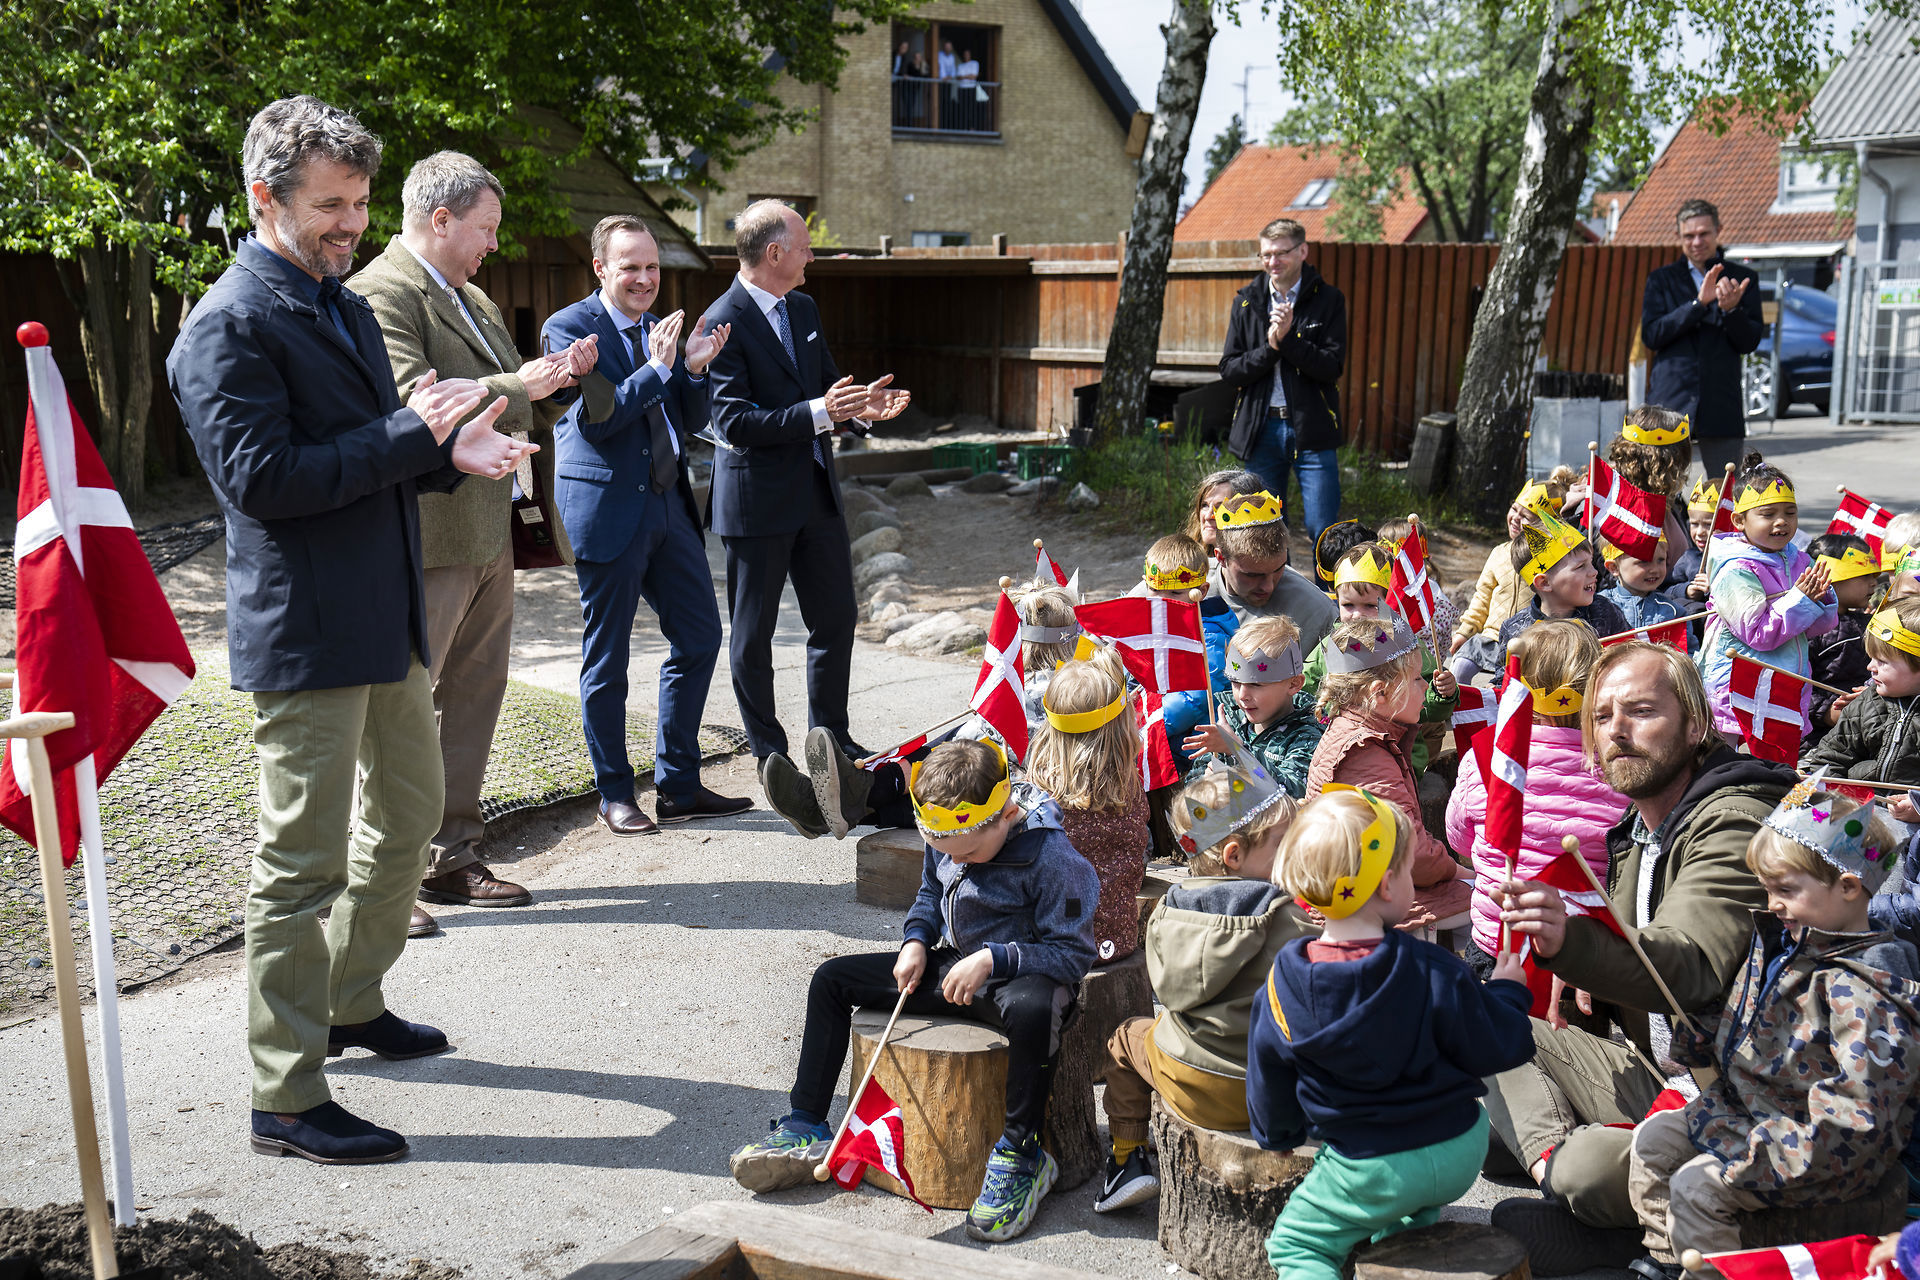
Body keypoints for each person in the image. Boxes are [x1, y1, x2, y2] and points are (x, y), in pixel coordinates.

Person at [168, 95, 535, 1163]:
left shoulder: (329, 297)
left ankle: (349, 1000)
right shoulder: (228, 324)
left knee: (412, 814)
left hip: (384, 616)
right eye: (330, 205)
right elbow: (264, 481)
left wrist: (442, 455)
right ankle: (284, 1093)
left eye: (361, 203)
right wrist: (406, 435)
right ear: (263, 197)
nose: (349, 224)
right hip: (309, 633)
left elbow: (368, 449)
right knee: (302, 863)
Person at [1487, 643, 1792, 1274]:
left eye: (1641, 711)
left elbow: (1687, 965)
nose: (1616, 732)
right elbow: (1634, 951)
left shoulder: (1734, 822)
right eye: (1601, 717)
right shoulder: (1642, 823)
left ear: (1696, 725)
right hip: (1654, 1070)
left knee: (1582, 1168)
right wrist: (1577, 983)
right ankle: (1569, 1188)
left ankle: (1595, 1214)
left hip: (1731, 1099)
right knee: (1484, 1023)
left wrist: (1571, 942)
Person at [728, 738, 1098, 1243]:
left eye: (969, 852)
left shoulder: (1053, 857)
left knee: (1036, 1008)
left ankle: (1021, 1153)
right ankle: (806, 1124)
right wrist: (916, 940)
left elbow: (1074, 953)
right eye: (947, 851)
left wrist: (995, 958)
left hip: (1023, 977)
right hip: (954, 966)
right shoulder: (944, 830)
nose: (957, 859)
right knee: (832, 980)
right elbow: (929, 892)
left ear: (1008, 813)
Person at [352, 151, 594, 925]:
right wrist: (524, 381)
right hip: (425, 535)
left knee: (474, 697)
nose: (494, 243)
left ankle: (451, 857)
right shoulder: (381, 293)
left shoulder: (472, 297)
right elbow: (413, 402)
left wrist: (555, 385)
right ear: (441, 218)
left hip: (489, 530)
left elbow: (495, 402)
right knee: (402, 706)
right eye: (485, 227)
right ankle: (386, 879)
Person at [1626, 781, 1915, 1275]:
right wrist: (1708, 1033)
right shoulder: (1790, 943)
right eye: (1767, 889)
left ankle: (1717, 1272)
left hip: (1821, 1151)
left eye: (1785, 889)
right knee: (1652, 1142)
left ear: (1848, 887)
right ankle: (1670, 1262)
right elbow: (1759, 1023)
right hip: (1758, 1114)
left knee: (1696, 1188)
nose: (1773, 903)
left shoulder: (1868, 986)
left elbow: (1856, 1118)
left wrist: (1754, 1156)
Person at [1249, 787, 1536, 1280]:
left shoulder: (1282, 988)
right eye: (1406, 871)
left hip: (1370, 1165)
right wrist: (1509, 994)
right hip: (1458, 1149)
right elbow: (1495, 1045)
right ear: (1386, 886)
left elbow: (1268, 1077)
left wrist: (1278, 1136)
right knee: (1403, 1210)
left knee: (1297, 1245)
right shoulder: (1434, 968)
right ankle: (1405, 1234)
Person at [543, 215, 751, 835]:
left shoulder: (661, 330)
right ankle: (614, 794)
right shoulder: (571, 328)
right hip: (608, 509)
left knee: (699, 637)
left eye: (652, 267)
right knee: (607, 659)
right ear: (601, 269)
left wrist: (690, 371)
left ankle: (679, 784)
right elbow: (601, 422)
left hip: (668, 503)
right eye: (629, 267)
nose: (644, 278)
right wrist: (660, 369)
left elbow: (681, 422)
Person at [700, 200, 909, 786]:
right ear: (774, 253)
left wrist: (861, 409)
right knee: (753, 633)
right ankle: (769, 752)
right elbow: (735, 423)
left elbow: (825, 392)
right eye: (804, 246)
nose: (812, 255)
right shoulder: (720, 320)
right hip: (756, 502)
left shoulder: (805, 306)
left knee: (837, 617)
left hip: (816, 493)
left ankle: (831, 740)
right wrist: (821, 410)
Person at [1096, 739, 1309, 1214]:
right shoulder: (1291, 920)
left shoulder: (1168, 914)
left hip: (1190, 1081)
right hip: (1270, 1094)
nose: (1294, 850)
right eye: (1282, 843)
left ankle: (1126, 1160)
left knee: (1126, 1039)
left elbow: (1168, 991)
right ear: (1234, 855)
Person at [1446, 622, 1630, 981]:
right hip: (1585, 951)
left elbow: (1459, 840)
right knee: (1577, 1039)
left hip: (1496, 941)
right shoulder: (1620, 766)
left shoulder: (1484, 758)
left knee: (1495, 1033)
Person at [1306, 614, 1471, 930]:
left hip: (1373, 885)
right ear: (1379, 693)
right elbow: (1408, 852)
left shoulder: (1360, 733)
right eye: (1416, 679)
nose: (1426, 686)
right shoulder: (1364, 754)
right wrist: (1454, 869)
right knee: (1498, 905)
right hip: (1364, 902)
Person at [1218, 217, 1347, 546]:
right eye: (1265, 255)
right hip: (1261, 432)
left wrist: (1288, 340)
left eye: (1280, 253)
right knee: (1267, 531)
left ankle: (1329, 599)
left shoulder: (1328, 300)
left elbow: (1331, 367)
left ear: (1303, 251)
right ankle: (1278, 599)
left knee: (1324, 531)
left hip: (1313, 429)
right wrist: (1272, 347)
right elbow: (1231, 369)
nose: (1272, 262)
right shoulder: (1246, 301)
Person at [1698, 454, 1838, 746]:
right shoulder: (1735, 569)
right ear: (1739, 520)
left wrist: (1821, 598)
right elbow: (1759, 633)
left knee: (1772, 774)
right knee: (1736, 774)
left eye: (1790, 512)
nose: (1781, 522)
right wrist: (1803, 599)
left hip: (1781, 688)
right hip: (1737, 693)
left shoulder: (1798, 559)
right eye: (1768, 514)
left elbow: (1816, 627)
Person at [1026, 654, 1151, 964]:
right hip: (1117, 940)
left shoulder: (1039, 801)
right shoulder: (1130, 791)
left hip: (1051, 946)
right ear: (1122, 729)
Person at [1305, 543, 1458, 774]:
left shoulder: (1407, 650)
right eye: (1348, 605)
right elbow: (1305, 692)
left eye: (1369, 605)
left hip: (1398, 757)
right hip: (1336, 750)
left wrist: (1442, 694)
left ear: (1391, 604)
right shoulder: (1328, 648)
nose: (1357, 615)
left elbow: (1428, 710)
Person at [1640, 199, 1764, 477]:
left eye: (1704, 233)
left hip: (1721, 406)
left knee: (1725, 496)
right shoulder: (1662, 280)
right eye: (1689, 235)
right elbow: (1652, 335)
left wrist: (1732, 310)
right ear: (1678, 237)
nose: (1697, 241)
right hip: (1669, 404)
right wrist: (1698, 305)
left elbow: (1749, 342)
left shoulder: (1743, 279)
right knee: (1660, 494)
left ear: (1718, 230)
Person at [1802, 597, 1920, 826]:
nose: (1870, 667)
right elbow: (1831, 756)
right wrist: (1836, 799)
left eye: (1882, 661)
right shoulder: (1868, 703)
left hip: (1908, 821)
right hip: (1855, 810)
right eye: (1871, 658)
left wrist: (1918, 805)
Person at [1453, 473, 1574, 683]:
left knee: (1512, 686)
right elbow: (1482, 598)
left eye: (1527, 516)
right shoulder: (1499, 553)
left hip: (1528, 643)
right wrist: (1465, 632)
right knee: (1459, 667)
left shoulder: (1553, 562)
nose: (1516, 518)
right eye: (1514, 509)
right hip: (1490, 638)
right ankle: (1457, 712)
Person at [1182, 617, 1322, 798]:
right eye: (1236, 683)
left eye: (1256, 685)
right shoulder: (1231, 721)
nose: (1242, 695)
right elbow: (1192, 785)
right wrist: (1206, 784)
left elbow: (1292, 793)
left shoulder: (1307, 735)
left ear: (1294, 684)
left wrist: (1238, 751)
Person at [1494, 510, 1630, 671]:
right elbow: (1506, 680)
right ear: (1544, 582)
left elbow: (1629, 657)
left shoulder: (1604, 613)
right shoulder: (1516, 629)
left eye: (1591, 563)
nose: (1594, 572)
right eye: (1581, 566)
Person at [1207, 491, 1338, 652]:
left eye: (1278, 569)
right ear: (1221, 558)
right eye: (1253, 575)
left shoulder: (1314, 610)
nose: (1268, 586)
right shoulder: (1186, 589)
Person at [1803, 533, 1878, 745]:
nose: (1874, 583)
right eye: (1865, 576)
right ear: (1830, 577)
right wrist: (1828, 712)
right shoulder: (1808, 627)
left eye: (1875, 575)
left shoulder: (1870, 621)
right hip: (1819, 738)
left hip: (1867, 724)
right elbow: (1796, 684)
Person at [1598, 538, 1679, 632]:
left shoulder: (1673, 611)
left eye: (1660, 560)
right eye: (1644, 561)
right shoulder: (1598, 607)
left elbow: (1687, 645)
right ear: (1614, 568)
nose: (1655, 569)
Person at [1183, 468, 1264, 558]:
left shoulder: (1269, 569)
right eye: (1205, 505)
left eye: (1221, 507)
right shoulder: (1186, 565)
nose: (1208, 516)